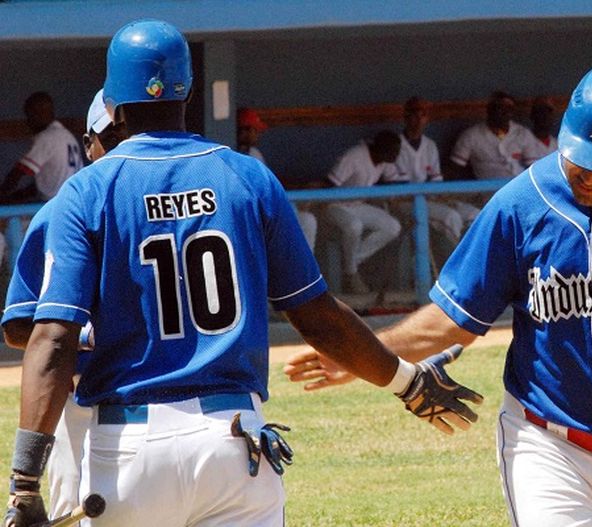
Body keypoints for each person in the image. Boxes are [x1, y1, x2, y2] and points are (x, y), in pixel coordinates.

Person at [3, 20, 482, 527]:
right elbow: (316, 314)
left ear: (114, 108)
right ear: (187, 93)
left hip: (128, 448)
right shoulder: (246, 176)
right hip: (233, 444)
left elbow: (50, 337)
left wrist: (24, 484)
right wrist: (405, 382)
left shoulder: (87, 192)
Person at [286, 65, 592, 527]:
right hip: (548, 448)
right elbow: (450, 321)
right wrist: (360, 352)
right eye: (578, 157)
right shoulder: (519, 206)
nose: (586, 175)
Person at [1, 88, 127, 521]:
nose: (116, 146)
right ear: (90, 144)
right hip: (82, 403)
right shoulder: (62, 215)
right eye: (110, 137)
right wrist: (87, 334)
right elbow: (20, 327)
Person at [323, 130, 403, 294]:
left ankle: (351, 264)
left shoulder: (384, 161)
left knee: (392, 226)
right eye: (393, 151)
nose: (396, 155)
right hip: (334, 206)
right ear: (381, 149)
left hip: (358, 205)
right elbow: (329, 184)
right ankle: (351, 273)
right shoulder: (354, 156)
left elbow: (394, 183)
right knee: (354, 226)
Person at [395, 96, 478, 245]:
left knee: (474, 214)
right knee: (451, 217)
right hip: (406, 202)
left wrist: (440, 197)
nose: (419, 119)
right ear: (406, 117)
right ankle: (459, 265)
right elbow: (399, 186)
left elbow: (436, 179)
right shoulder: (395, 145)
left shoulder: (430, 145)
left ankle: (477, 258)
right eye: (415, 114)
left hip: (432, 198)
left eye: (423, 115)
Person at [235, 107, 317, 250]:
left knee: (306, 220)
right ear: (244, 131)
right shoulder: (234, 155)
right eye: (255, 131)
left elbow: (270, 183)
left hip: (267, 211)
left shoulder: (254, 153)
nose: (258, 135)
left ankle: (302, 271)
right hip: (252, 215)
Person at [0, 91, 82, 203]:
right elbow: (47, 182)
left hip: (55, 204)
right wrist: (18, 195)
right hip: (72, 201)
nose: (28, 122)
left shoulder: (47, 137)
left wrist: (3, 194)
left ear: (38, 113)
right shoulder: (67, 136)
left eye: (29, 115)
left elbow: (18, 172)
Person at [446, 90, 544, 180]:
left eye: (509, 108)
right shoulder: (471, 135)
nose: (505, 112)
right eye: (500, 108)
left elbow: (533, 169)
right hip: (485, 190)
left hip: (517, 188)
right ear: (489, 110)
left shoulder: (523, 133)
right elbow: (454, 170)